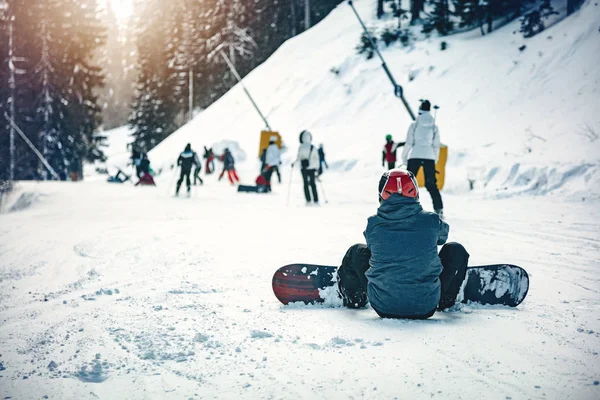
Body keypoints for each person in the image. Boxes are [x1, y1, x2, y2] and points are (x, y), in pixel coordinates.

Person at [336, 168, 469, 319]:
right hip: (426, 306)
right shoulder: (431, 220)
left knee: (357, 251)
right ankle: (445, 301)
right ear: (415, 192)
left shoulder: (373, 224)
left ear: (382, 195)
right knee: (455, 250)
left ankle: (354, 299)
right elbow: (442, 238)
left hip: (383, 306)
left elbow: (374, 249)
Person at [401, 100, 443, 216]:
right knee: (431, 184)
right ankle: (439, 209)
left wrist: (404, 157)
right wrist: (434, 159)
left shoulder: (414, 125)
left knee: (408, 183)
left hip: (414, 155)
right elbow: (436, 145)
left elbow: (409, 143)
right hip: (429, 157)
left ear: (420, 109)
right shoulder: (434, 127)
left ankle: (405, 208)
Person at [293, 130, 320, 205]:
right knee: (313, 183)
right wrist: (317, 168)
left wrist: (294, 164)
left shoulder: (301, 147)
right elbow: (316, 158)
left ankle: (308, 200)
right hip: (312, 168)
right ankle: (316, 199)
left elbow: (298, 158)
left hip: (303, 168)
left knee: (305, 184)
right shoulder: (313, 147)